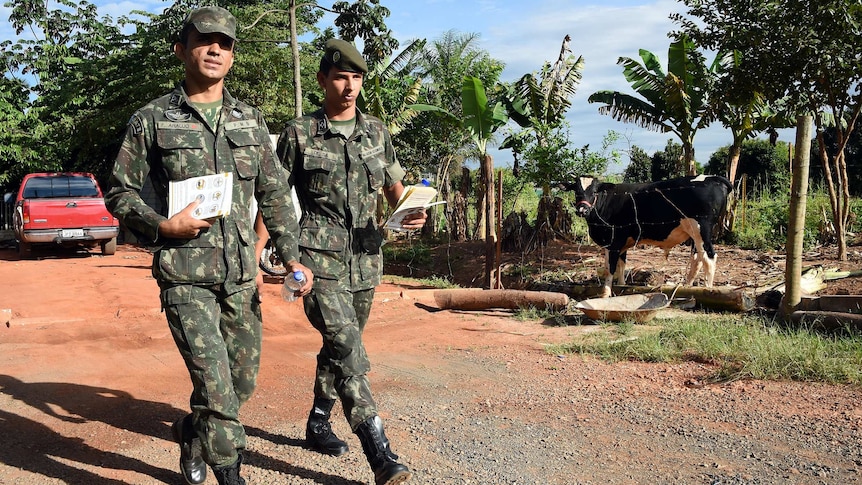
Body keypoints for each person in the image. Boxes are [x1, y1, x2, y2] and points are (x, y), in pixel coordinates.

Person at [104, 7, 311, 485]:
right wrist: (161, 226)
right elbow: (119, 191)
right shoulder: (152, 119)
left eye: (225, 43)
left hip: (240, 277)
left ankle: (192, 433)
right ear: (182, 48)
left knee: (241, 382)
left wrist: (292, 255)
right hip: (185, 277)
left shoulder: (250, 120)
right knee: (217, 388)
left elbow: (275, 192)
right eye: (205, 40)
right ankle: (228, 471)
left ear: (233, 55)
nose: (216, 49)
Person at [276, 39, 425, 485]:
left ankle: (319, 420)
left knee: (339, 345)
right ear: (322, 79)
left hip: (366, 259)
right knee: (347, 347)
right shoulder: (299, 133)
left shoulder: (377, 132)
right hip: (316, 262)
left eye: (356, 78)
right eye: (341, 77)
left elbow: (394, 190)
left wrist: (408, 214)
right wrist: (275, 256)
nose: (349, 86)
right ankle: (378, 449)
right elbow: (274, 196)